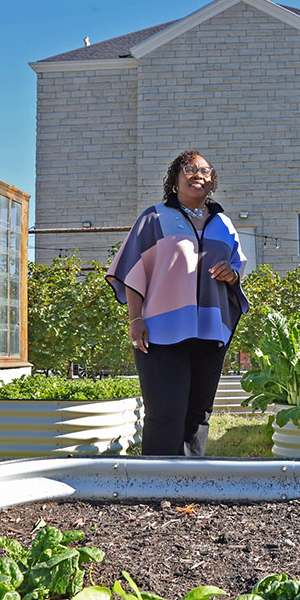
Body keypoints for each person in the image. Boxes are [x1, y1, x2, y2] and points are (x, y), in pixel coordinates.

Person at [106, 151, 248, 456]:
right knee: (165, 412)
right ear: (175, 179)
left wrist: (231, 274)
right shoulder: (154, 218)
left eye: (205, 171)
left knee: (199, 414)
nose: (198, 174)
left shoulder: (224, 223)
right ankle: (156, 484)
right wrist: (135, 319)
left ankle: (188, 482)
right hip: (161, 330)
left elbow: (237, 270)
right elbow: (132, 272)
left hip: (210, 331)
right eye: (189, 169)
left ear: (212, 181)